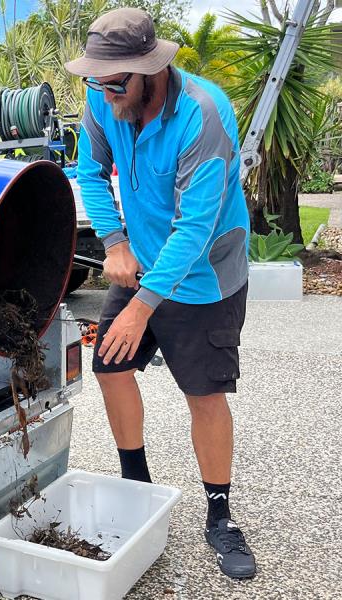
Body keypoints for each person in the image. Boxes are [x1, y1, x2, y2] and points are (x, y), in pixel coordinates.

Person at [66, 7, 255, 579]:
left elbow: (196, 227)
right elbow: (90, 173)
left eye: (113, 80)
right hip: (143, 261)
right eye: (94, 79)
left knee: (203, 393)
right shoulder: (104, 97)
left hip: (205, 278)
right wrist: (115, 242)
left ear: (148, 69)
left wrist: (142, 307)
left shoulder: (203, 114)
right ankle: (136, 486)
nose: (102, 90)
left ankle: (219, 514)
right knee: (111, 367)